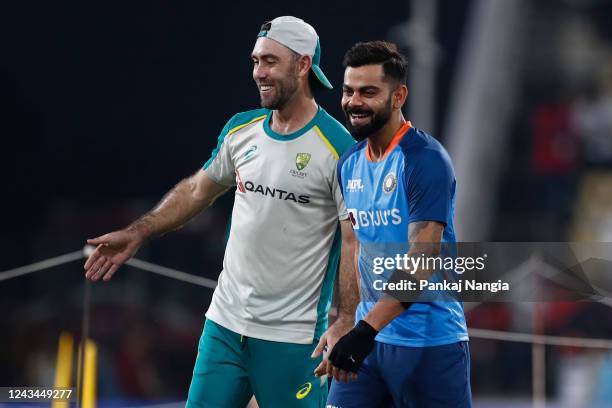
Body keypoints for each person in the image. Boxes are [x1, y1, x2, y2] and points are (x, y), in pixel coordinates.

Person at [83, 16, 358, 407]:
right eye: (255, 61)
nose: (258, 73)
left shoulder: (339, 149)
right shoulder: (240, 130)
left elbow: (353, 240)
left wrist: (346, 319)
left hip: (293, 340)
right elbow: (196, 190)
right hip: (224, 328)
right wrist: (137, 232)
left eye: (270, 62)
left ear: (303, 64)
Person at [314, 41, 471, 407]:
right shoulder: (349, 162)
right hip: (369, 347)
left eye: (369, 92)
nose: (354, 102)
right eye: (349, 91)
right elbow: (354, 245)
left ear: (398, 96)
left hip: (430, 347)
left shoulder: (426, 160)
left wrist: (365, 332)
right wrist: (346, 320)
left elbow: (423, 257)